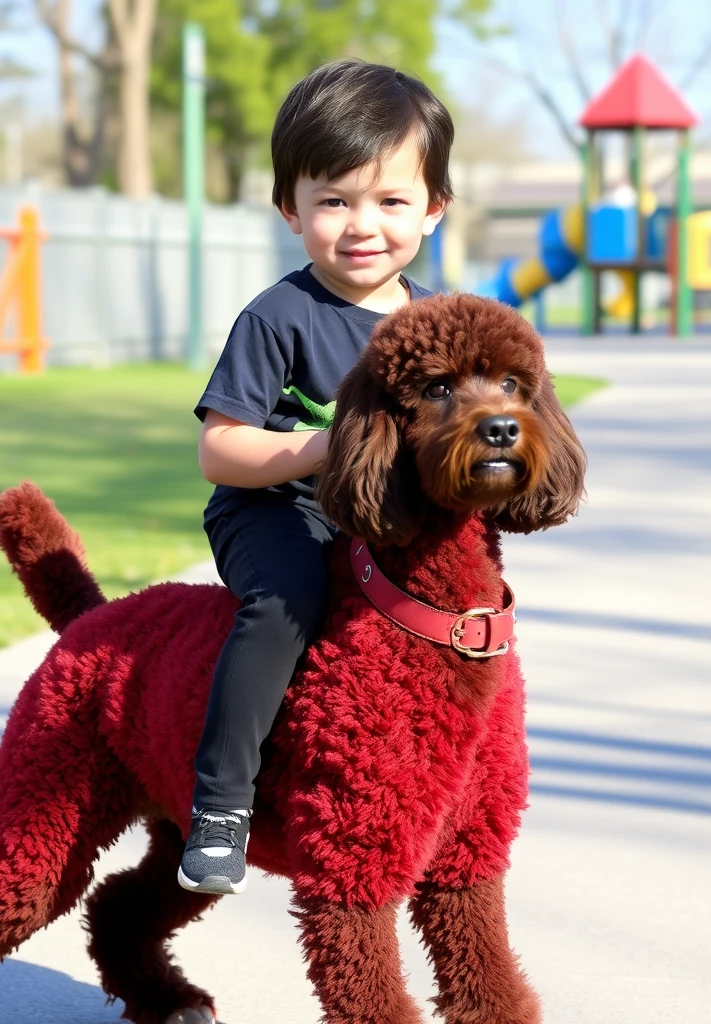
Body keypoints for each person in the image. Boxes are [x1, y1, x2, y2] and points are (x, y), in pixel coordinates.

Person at [179, 58, 453, 895]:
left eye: (391, 200)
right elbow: (220, 449)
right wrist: (319, 449)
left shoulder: (439, 319)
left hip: (381, 515)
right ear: (289, 208)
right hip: (277, 509)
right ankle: (222, 801)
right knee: (289, 599)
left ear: (434, 208)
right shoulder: (278, 316)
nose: (361, 224)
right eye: (333, 199)